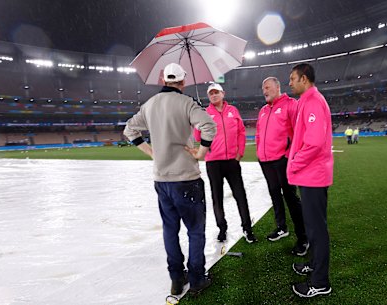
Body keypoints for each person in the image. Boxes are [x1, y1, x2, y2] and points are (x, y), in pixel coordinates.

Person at [123, 63, 216, 296]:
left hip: (162, 180)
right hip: (187, 177)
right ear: (183, 82)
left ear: (163, 80)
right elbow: (208, 126)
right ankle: (196, 280)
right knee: (195, 231)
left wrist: (151, 152)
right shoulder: (186, 103)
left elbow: (129, 130)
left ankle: (176, 278)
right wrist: (202, 152)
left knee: (169, 230)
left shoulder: (150, 105)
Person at [287, 63, 334, 298]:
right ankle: (314, 266)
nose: (290, 83)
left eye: (293, 79)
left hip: (313, 175)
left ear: (304, 79)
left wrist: (294, 162)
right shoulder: (307, 100)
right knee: (313, 227)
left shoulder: (313, 101)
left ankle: (320, 282)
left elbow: (314, 143)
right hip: (310, 174)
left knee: (316, 230)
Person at [194, 83, 258, 244]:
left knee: (240, 195)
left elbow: (241, 132)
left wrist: (239, 153)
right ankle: (222, 228)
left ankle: (247, 228)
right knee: (217, 197)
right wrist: (197, 123)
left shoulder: (233, 111)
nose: (214, 95)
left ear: (223, 93)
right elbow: (197, 138)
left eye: (216, 92)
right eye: (211, 94)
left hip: (232, 161)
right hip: (213, 162)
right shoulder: (205, 113)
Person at [256, 76, 308, 256]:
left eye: (268, 87)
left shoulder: (290, 105)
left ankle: (303, 237)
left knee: (290, 198)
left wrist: (289, 155)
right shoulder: (263, 110)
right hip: (265, 161)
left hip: (283, 160)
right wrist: (259, 153)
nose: (265, 91)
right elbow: (258, 134)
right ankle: (281, 228)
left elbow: (300, 132)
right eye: (263, 88)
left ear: (277, 88)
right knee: (274, 196)